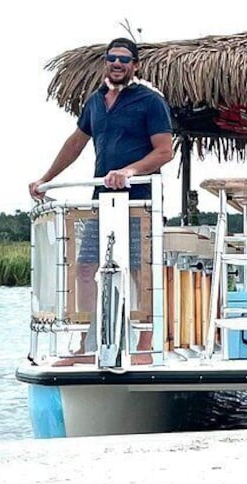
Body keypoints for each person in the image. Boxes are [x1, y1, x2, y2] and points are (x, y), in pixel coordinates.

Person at [29, 37, 174, 365]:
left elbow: (165, 151)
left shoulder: (150, 101)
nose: (118, 64)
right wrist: (45, 178)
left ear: (135, 65)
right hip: (102, 201)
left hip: (140, 202)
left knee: (140, 270)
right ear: (105, 62)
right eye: (112, 58)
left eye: (125, 59)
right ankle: (87, 342)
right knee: (84, 269)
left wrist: (130, 170)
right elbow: (75, 143)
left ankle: (144, 347)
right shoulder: (95, 101)